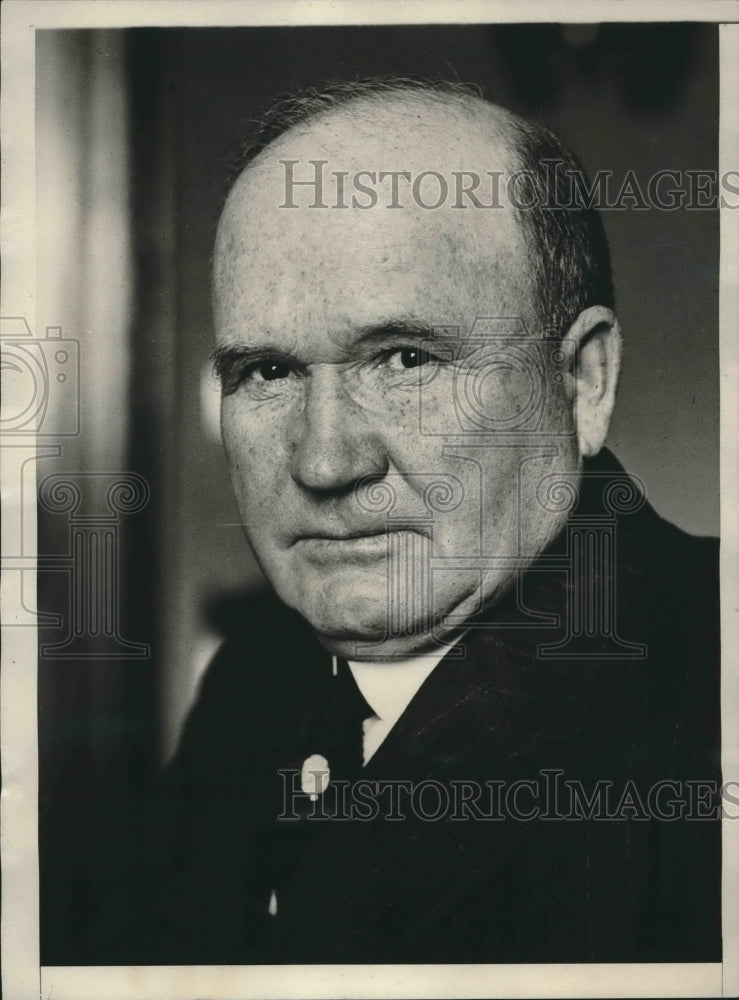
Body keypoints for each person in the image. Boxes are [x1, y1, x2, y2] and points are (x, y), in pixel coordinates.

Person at [91, 78, 721, 964]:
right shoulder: (259, 683)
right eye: (267, 373)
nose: (324, 462)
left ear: (582, 381)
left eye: (403, 359)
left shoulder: (708, 691)